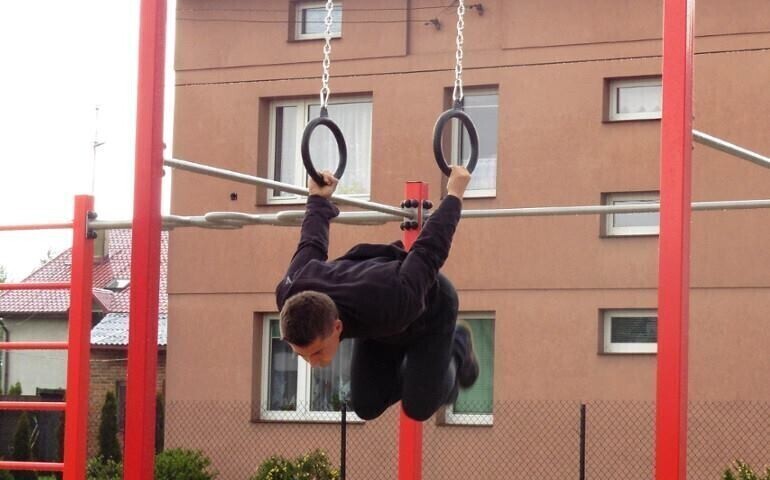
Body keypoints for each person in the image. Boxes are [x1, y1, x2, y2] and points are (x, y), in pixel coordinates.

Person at [275, 167, 478, 422]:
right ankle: (418, 371)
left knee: (419, 406)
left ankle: (457, 345)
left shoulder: (393, 299)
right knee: (366, 405)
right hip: (379, 323)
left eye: (315, 352)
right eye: (302, 355)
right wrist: (318, 197)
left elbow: (429, 250)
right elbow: (311, 243)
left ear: (337, 327)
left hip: (428, 310)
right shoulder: (291, 291)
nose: (312, 363)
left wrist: (454, 194)